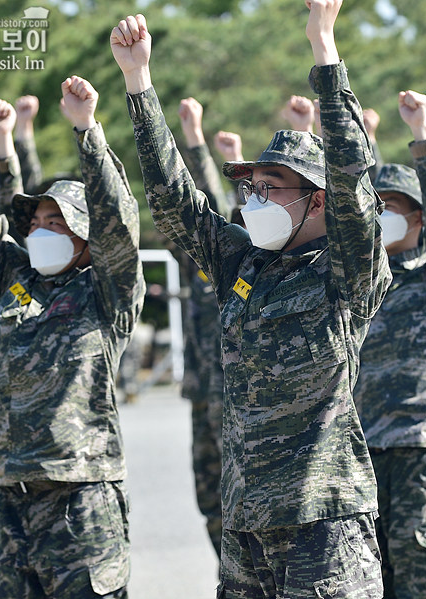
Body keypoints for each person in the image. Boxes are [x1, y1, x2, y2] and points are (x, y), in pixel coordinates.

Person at [112, 1, 390, 594]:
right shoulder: (244, 262)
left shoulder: (347, 268)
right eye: (251, 188)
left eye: (272, 187)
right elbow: (174, 205)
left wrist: (324, 48)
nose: (254, 200)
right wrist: (139, 84)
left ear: (316, 201)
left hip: (324, 523)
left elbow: (353, 181)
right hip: (245, 521)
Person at [0, 75, 145, 598]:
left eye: (57, 221)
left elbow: (118, 222)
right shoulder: (13, 282)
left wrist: (86, 130)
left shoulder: (107, 292)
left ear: (86, 239)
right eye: (36, 222)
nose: (40, 230)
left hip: (80, 499)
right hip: (12, 496)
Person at [354, 89, 426, 599]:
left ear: (417, 218)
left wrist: (424, 140)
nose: (383, 217)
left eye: (395, 208)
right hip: (355, 463)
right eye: (376, 208)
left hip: (418, 462)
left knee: (423, 586)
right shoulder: (354, 284)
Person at [177, 95, 235, 560]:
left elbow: (213, 203)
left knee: (242, 496)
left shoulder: (241, 263)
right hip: (202, 392)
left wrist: (198, 142)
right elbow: (194, 205)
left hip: (237, 396)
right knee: (208, 495)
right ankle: (229, 571)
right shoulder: (194, 263)